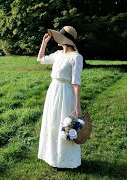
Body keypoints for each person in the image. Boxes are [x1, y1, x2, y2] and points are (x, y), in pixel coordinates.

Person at [37, 26, 83, 169]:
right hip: (53, 91)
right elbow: (41, 59)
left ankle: (66, 161)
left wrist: (77, 105)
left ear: (66, 40)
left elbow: (76, 82)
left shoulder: (76, 57)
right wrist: (44, 43)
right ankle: (53, 158)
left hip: (66, 92)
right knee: (53, 122)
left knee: (65, 124)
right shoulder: (58, 54)